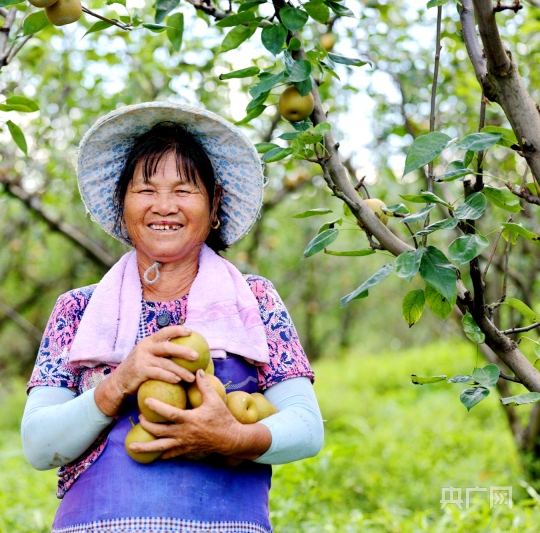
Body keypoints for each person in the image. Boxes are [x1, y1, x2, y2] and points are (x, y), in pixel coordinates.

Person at [21, 102, 323, 533]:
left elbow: (308, 429)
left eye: (184, 190)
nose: (164, 206)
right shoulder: (78, 309)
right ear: (122, 203)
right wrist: (119, 382)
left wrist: (232, 438)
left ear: (214, 203)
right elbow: (38, 444)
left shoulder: (254, 301)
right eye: (146, 190)